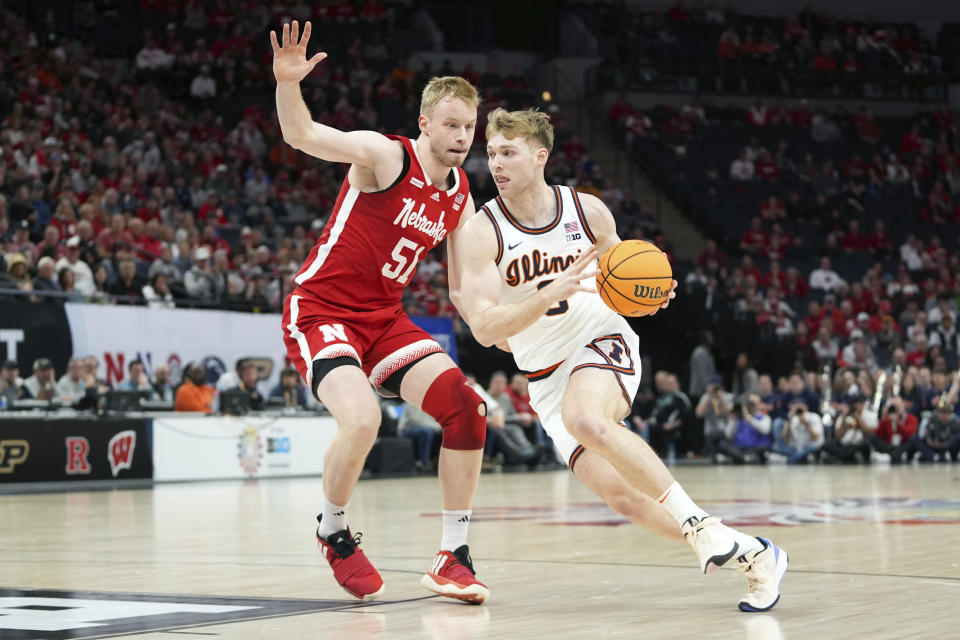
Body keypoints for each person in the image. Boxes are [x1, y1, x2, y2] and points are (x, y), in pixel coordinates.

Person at [456, 107, 788, 612]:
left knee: (587, 419)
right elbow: (483, 330)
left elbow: (627, 277)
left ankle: (699, 526)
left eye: (508, 152)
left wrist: (653, 292)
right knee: (624, 499)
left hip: (600, 338)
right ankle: (753, 553)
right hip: (544, 375)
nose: (494, 163)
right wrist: (545, 295)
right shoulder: (482, 231)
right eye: (492, 153)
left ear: (540, 156)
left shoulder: (586, 212)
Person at [272, 21, 487, 603]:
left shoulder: (461, 192)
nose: (462, 135)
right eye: (451, 124)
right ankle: (333, 530)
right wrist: (288, 84)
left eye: (470, 126)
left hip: (385, 319)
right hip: (322, 309)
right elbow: (301, 134)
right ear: (425, 123)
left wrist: (509, 322)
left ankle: (453, 555)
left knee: (467, 409)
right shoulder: (383, 156)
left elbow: (467, 286)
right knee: (363, 420)